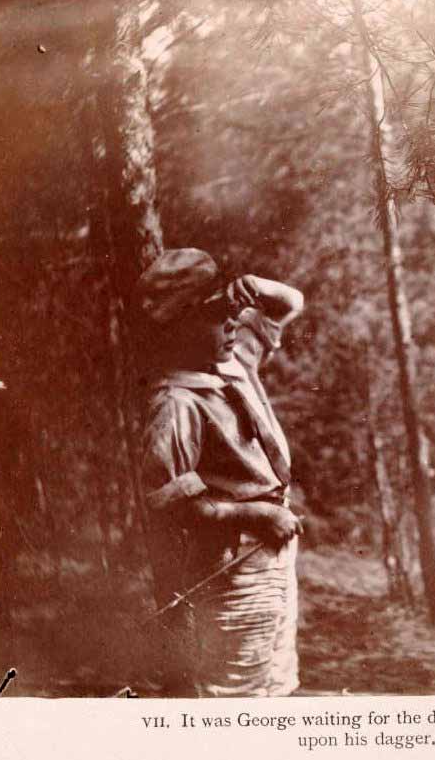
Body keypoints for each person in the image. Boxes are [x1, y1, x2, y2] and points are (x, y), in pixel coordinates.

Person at [135, 248, 305, 697]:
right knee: (236, 689)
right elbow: (172, 505)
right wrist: (253, 517)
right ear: (178, 330)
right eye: (216, 318)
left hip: (274, 548)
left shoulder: (230, 362)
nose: (232, 324)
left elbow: (289, 304)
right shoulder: (176, 403)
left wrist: (258, 286)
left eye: (231, 312)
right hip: (233, 564)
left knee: (277, 677)